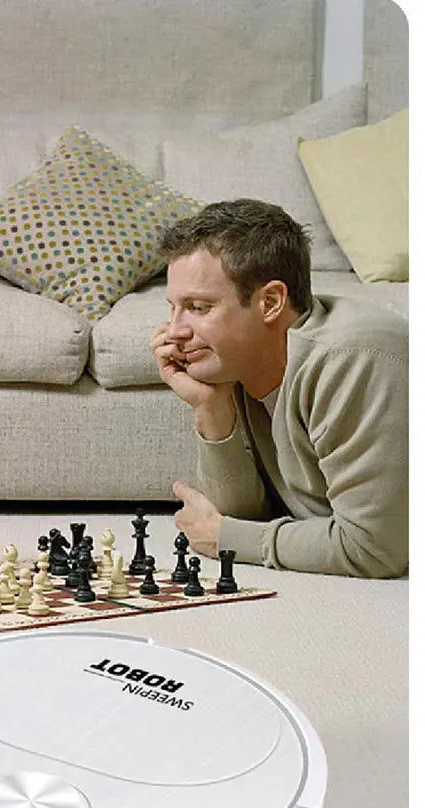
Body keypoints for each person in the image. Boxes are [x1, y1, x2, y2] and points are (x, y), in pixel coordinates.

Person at [150, 198, 408, 578]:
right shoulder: (238, 362)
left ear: (270, 302)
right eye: (173, 307)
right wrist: (211, 407)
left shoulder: (352, 360)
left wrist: (225, 538)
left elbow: (375, 549)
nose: (174, 331)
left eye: (199, 308)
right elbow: (245, 515)